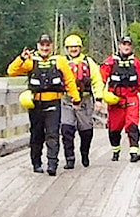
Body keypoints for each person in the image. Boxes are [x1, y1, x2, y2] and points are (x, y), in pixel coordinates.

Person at [8, 34, 80, 175]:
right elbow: (11, 71)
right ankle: (36, 163)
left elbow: (69, 80)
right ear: (38, 45)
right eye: (42, 45)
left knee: (53, 134)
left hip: (53, 102)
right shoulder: (31, 61)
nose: (45, 48)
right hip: (36, 104)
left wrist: (75, 98)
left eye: (47, 45)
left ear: (52, 46)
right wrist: (22, 58)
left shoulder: (59, 61)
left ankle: (52, 164)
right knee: (37, 135)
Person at [100, 35, 140, 162]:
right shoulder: (110, 61)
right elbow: (101, 79)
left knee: (132, 125)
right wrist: (100, 98)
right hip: (116, 100)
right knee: (114, 129)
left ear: (131, 47)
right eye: (124, 44)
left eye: (128, 45)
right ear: (119, 46)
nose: (126, 47)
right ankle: (115, 150)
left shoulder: (136, 63)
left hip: (131, 98)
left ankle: (134, 152)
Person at [60, 34, 104, 168]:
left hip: (85, 99)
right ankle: (70, 158)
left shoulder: (88, 62)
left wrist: (99, 98)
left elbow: (97, 80)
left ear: (80, 48)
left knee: (86, 130)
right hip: (67, 99)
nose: (73, 49)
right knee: (66, 128)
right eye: (70, 47)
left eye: (76, 47)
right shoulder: (61, 61)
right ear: (67, 48)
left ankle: (84, 153)